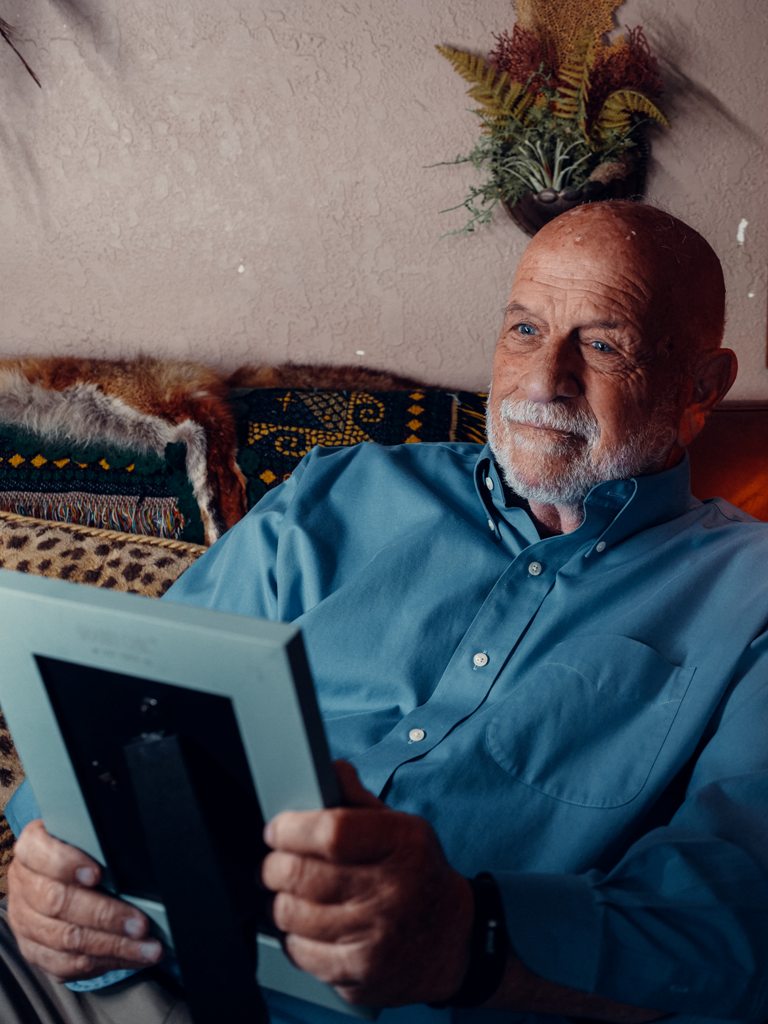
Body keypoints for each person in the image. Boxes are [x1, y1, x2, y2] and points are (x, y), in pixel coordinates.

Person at [3, 199, 768, 1024]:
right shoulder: (339, 488)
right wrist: (49, 877)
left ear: (701, 387)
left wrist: (470, 941)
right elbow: (117, 721)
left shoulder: (749, 596)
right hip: (137, 972)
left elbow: (737, 926)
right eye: (524, 330)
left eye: (604, 344)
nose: (545, 380)